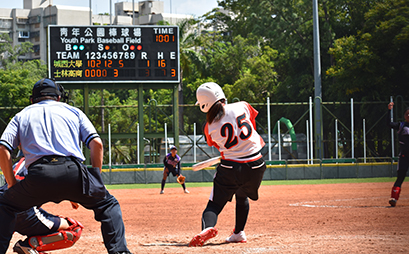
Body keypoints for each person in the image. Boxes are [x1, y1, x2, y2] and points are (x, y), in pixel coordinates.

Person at [0, 78, 131, 254]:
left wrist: (12, 185)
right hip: (74, 173)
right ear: (59, 97)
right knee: (108, 205)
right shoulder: (74, 112)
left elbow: (3, 148)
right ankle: (119, 252)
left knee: (6, 206)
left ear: (32, 100)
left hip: (38, 175)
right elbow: (97, 144)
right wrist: (95, 180)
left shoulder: (22, 115)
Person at [189, 82, 266, 247]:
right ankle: (238, 233)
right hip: (257, 165)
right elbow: (250, 125)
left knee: (214, 204)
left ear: (203, 104)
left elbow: (218, 145)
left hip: (231, 167)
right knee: (242, 194)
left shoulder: (209, 127)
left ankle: (207, 227)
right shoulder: (242, 105)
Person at [0, 155, 83, 254]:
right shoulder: (46, 162)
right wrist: (70, 195)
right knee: (74, 228)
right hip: (24, 212)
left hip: (4, 204)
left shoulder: (18, 163)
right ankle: (28, 246)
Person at [387, 102, 409, 207]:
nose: (408, 115)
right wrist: (389, 110)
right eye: (407, 114)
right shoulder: (401, 125)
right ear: (404, 116)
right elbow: (389, 124)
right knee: (400, 178)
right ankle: (393, 198)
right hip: (404, 157)